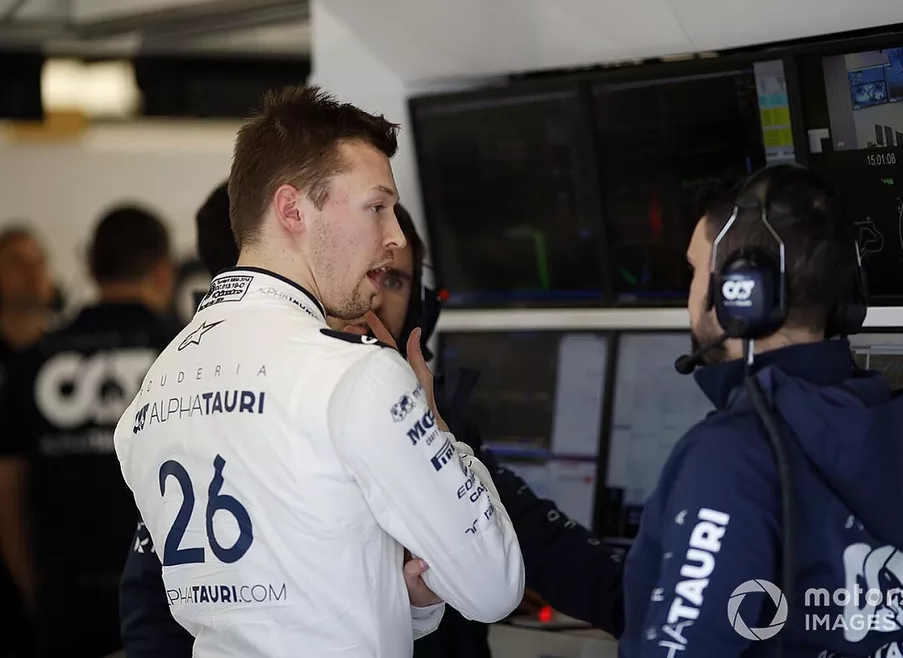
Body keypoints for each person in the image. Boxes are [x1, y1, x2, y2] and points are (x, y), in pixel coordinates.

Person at [120, 186, 625, 657]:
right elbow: (153, 611)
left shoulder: (421, 412)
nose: (375, 294)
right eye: (363, 272)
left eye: (394, 278)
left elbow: (544, 542)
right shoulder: (242, 413)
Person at [113, 86, 524, 657]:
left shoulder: (156, 385)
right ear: (292, 209)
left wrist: (408, 602)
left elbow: (283, 610)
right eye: (376, 207)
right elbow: (495, 588)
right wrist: (433, 420)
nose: (396, 236)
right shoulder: (356, 375)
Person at [619, 165, 903, 657]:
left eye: (694, 272)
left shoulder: (733, 457)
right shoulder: (896, 434)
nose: (688, 296)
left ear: (740, 293)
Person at [0, 206, 177, 658]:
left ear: (90, 265)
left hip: (65, 597)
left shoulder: (34, 359)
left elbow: (7, 490)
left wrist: (32, 591)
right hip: (167, 596)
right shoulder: (185, 355)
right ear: (161, 271)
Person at [0, 226, 55, 658]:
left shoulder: (58, 355)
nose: (33, 271)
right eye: (18, 261)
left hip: (55, 557)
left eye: (39, 260)